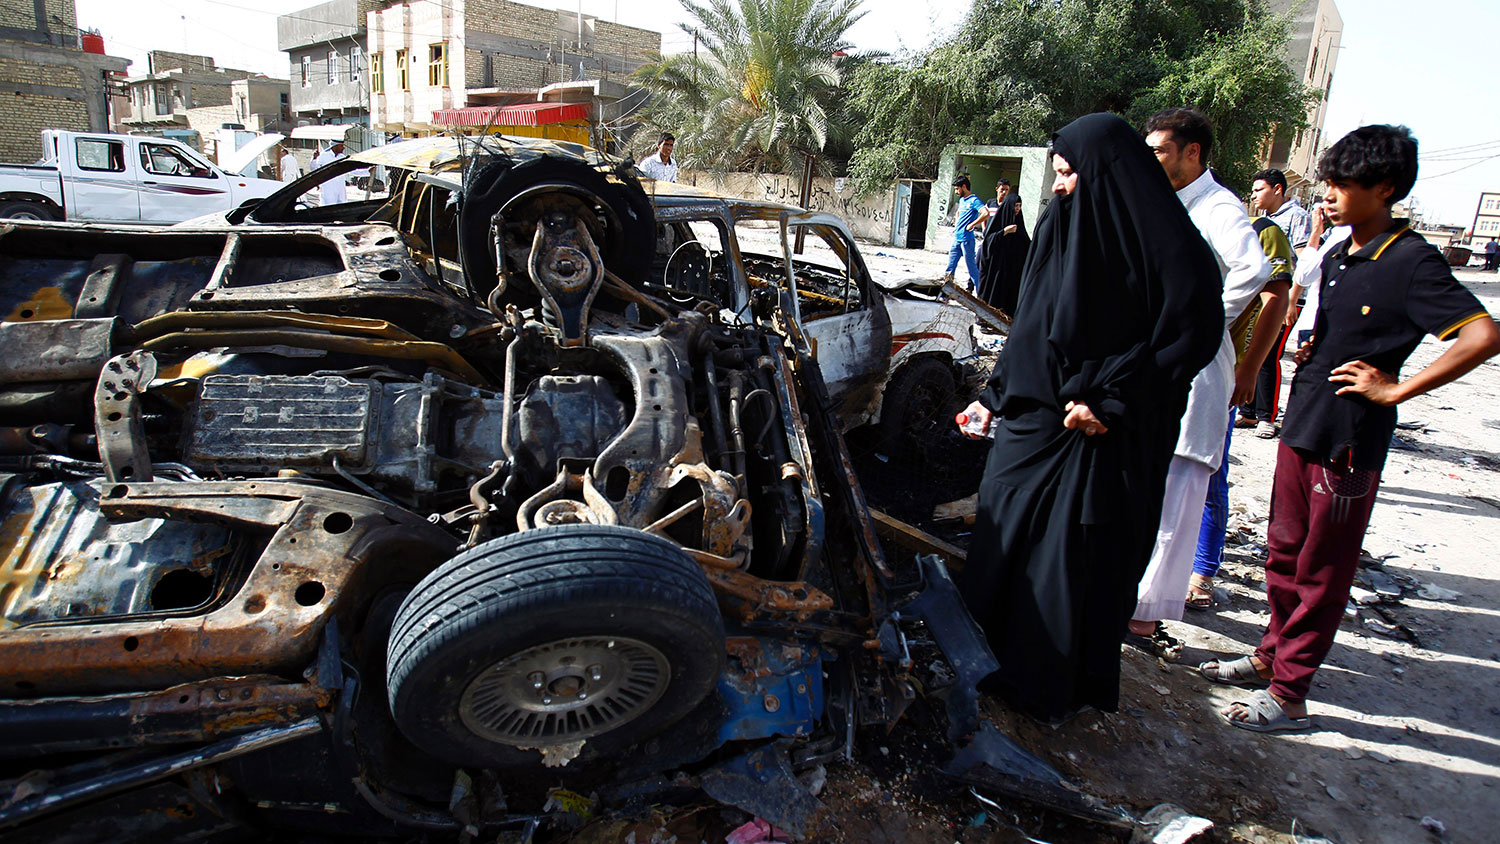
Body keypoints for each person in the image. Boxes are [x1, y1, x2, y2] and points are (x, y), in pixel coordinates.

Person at [1201, 125, 1500, 732]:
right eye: (1328, 183)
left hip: (1349, 441)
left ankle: (1290, 694)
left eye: (1343, 184)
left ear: (1385, 188)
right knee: (1284, 552)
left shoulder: (1411, 260)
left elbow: (1482, 335)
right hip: (1304, 423)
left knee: (1323, 567)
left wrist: (1396, 389)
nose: (1329, 196)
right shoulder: (1341, 253)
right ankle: (1271, 656)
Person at [955, 113, 1224, 724]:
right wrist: (993, 397)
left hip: (1102, 440)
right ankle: (983, 661)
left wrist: (1111, 399)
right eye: (1056, 173)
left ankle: (1046, 687)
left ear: (1106, 172)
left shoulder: (1171, 248)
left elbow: (1190, 335)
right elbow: (1032, 326)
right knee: (1001, 537)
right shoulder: (1061, 227)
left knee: (1069, 564)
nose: (1058, 186)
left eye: (1069, 173)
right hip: (1033, 425)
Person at [1128, 108, 1275, 642]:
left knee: (1178, 493)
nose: (1151, 161)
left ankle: (1146, 613)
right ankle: (1132, 597)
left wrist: (1200, 319)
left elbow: (1255, 269)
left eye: (1160, 151)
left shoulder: (1217, 206)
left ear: (1192, 152)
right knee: (1149, 487)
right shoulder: (1167, 203)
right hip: (1160, 362)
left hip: (1197, 365)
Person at [1187, 214, 1296, 609]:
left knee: (1209, 470)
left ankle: (1202, 570)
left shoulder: (1261, 232)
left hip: (1220, 366)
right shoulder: (1189, 214)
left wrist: (1249, 368)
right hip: (1180, 362)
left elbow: (1275, 300)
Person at [1239, 169, 1314, 437]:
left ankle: (1266, 417)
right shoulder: (1264, 220)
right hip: (1260, 295)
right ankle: (1248, 412)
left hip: (1285, 297)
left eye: (1259, 190)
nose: (1253, 195)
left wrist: (1291, 301)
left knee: (1269, 354)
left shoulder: (1297, 217)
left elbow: (1304, 262)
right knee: (1252, 349)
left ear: (1278, 189)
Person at [976, 177, 1029, 314]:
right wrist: (1004, 231)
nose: (1017, 209)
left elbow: (1025, 244)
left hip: (1010, 270)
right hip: (996, 268)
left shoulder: (1018, 223)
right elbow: (989, 241)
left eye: (1019, 206)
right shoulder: (998, 218)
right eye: (1015, 206)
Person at [943, 176, 985, 290]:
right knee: (950, 267)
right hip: (957, 239)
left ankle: (980, 294)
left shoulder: (974, 200)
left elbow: (985, 213)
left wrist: (972, 225)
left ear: (964, 187)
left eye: (957, 189)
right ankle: (946, 292)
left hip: (967, 240)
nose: (956, 192)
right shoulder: (962, 200)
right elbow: (958, 213)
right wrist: (957, 223)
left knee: (972, 268)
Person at [311, 140, 348, 205]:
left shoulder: (342, 157)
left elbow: (351, 170)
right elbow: (314, 170)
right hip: (328, 190)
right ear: (335, 146)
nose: (343, 148)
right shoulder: (323, 156)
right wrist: (314, 159)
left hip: (340, 190)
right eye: (341, 146)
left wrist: (366, 172)